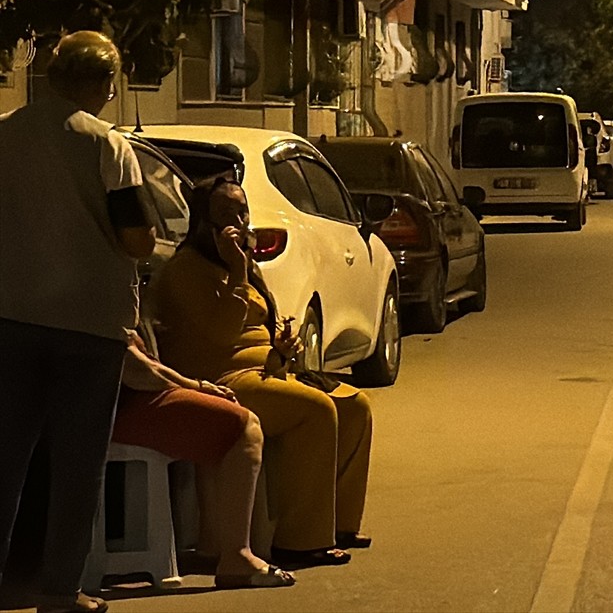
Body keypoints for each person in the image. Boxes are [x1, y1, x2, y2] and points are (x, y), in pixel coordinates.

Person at [0, 31, 156, 613]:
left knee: (5, 459)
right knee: (77, 465)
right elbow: (137, 238)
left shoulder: (4, 135)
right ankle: (60, 592)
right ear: (102, 82)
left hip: (11, 316)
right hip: (88, 325)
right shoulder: (108, 146)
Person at [152, 178, 374, 569]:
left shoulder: (243, 267)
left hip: (266, 371)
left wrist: (282, 346)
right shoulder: (187, 270)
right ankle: (300, 540)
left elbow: (260, 324)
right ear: (203, 223)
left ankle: (339, 524)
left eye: (243, 211)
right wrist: (238, 270)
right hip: (221, 381)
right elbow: (222, 333)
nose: (238, 222)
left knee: (356, 405)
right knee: (316, 409)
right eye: (226, 215)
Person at [116, 332, 294, 588]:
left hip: (121, 395)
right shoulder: (100, 295)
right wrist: (195, 386)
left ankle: (213, 542)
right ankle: (236, 555)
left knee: (226, 414)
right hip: (118, 402)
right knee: (241, 424)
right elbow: (134, 368)